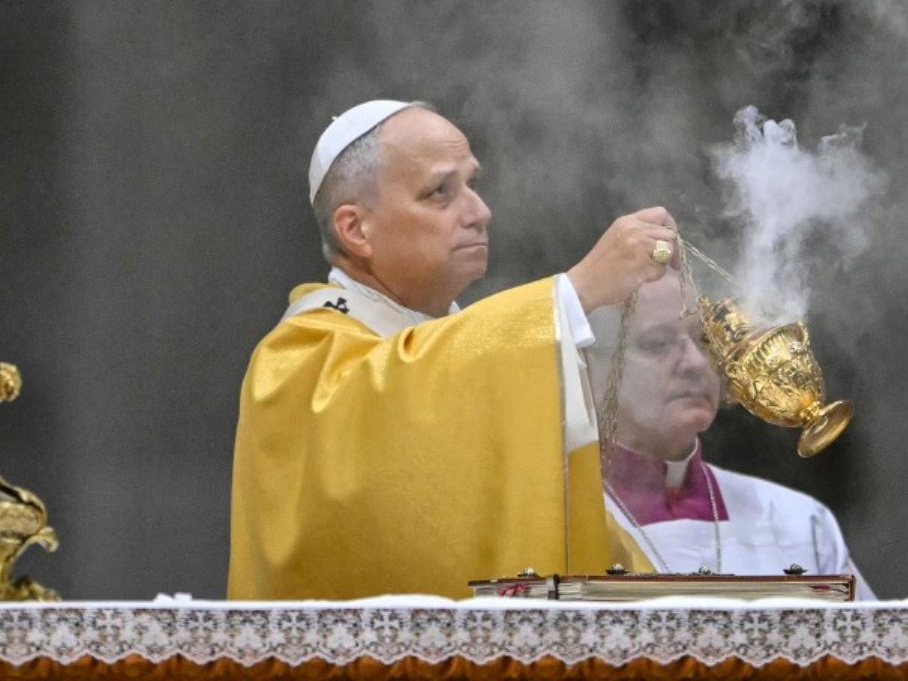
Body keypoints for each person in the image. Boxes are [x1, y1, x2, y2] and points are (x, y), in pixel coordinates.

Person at [228, 99, 677, 599]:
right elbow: (394, 427)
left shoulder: (475, 351)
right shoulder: (296, 361)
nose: (480, 213)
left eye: (473, 185)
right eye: (440, 192)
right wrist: (573, 293)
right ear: (356, 229)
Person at [587, 274, 876, 596]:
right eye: (658, 343)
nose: (696, 363)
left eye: (706, 341)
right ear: (593, 372)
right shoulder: (560, 527)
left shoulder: (799, 522)